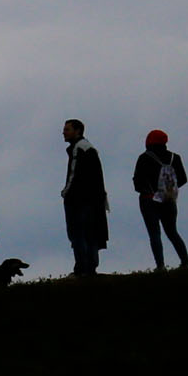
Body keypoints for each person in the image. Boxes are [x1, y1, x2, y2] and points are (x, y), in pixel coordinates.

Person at [133, 129, 188, 270]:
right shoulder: (175, 158)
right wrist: (168, 191)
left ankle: (160, 266)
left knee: (154, 234)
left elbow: (137, 182)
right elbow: (183, 179)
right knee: (172, 232)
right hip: (169, 200)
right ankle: (185, 262)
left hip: (148, 200)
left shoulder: (144, 158)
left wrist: (149, 191)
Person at [60, 118, 107, 277]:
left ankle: (81, 268)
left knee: (77, 234)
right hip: (92, 200)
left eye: (67, 129)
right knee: (90, 234)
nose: (64, 132)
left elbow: (73, 174)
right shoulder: (88, 148)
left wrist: (66, 192)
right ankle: (91, 267)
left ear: (77, 131)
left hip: (78, 199)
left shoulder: (78, 149)